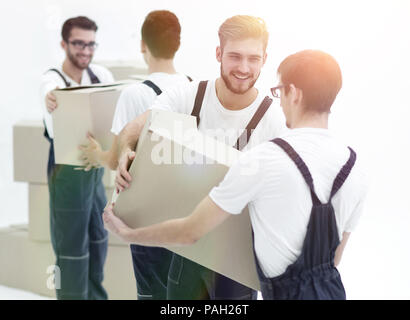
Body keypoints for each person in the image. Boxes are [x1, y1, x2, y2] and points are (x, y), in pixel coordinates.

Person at [103, 49, 368, 300]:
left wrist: (128, 234)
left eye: (280, 92)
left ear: (294, 94)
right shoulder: (354, 168)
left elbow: (190, 232)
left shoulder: (264, 159)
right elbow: (333, 259)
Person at [112, 15, 286, 300]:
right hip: (187, 253)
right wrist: (124, 153)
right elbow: (137, 126)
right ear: (218, 53)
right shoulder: (189, 96)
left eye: (253, 59)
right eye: (234, 56)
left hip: (236, 261)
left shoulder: (274, 120)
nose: (244, 68)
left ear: (265, 59)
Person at [79, 10, 192, 300]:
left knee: (151, 294)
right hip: (188, 211)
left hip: (147, 215)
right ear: (177, 43)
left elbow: (118, 159)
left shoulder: (135, 94)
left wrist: (96, 154)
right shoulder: (193, 88)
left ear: (143, 44)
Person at [39, 16, 114, 300]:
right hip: (66, 171)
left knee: (98, 239)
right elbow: (49, 96)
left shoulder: (101, 75)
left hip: (94, 168)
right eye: (79, 43)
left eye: (91, 44)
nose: (86, 50)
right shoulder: (52, 79)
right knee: (71, 249)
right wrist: (52, 99)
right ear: (64, 43)